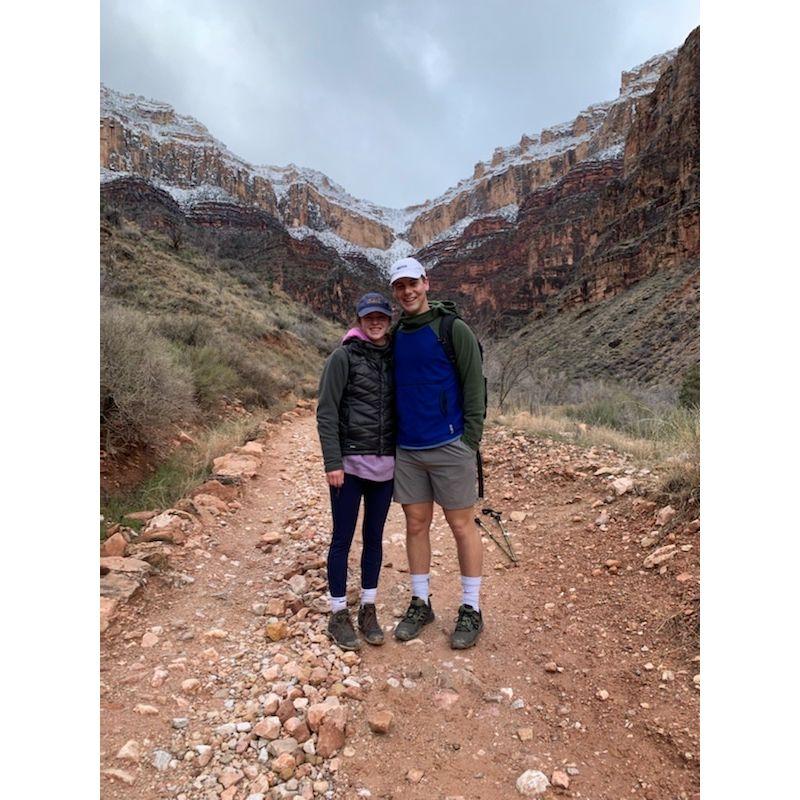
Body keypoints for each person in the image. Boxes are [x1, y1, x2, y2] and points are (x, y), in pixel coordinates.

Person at [389, 257, 487, 649]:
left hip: (450, 445)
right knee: (415, 525)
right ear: (395, 292)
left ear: (426, 283)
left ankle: (471, 608)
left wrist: (470, 441)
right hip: (408, 449)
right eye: (400, 286)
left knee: (462, 526)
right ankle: (420, 602)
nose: (408, 291)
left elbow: (474, 386)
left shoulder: (452, 329)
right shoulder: (395, 335)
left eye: (413, 283)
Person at [316, 292, 395, 651]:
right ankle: (337, 613)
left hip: (386, 468)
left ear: (389, 319)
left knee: (374, 539)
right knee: (342, 539)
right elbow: (326, 411)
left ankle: (367, 607)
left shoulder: (396, 358)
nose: (374, 322)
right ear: (359, 319)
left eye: (380, 316)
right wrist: (332, 461)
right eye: (368, 317)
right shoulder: (342, 357)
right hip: (348, 468)